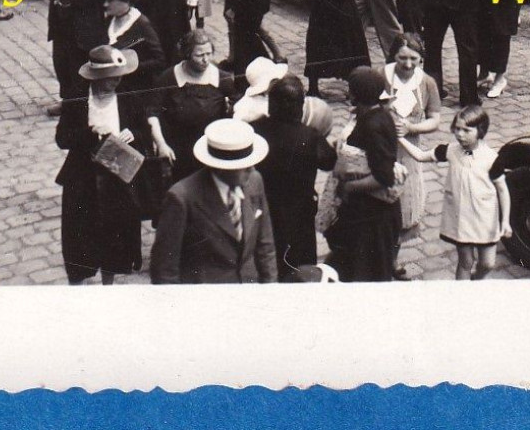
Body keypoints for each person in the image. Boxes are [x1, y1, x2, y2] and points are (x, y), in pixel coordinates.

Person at [56, 45, 146, 285]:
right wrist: (91, 131)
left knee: (114, 234)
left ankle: (109, 283)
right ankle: (78, 281)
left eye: (118, 77)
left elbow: (142, 128)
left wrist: (132, 134)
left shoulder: (127, 96)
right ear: (96, 78)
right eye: (110, 79)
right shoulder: (77, 98)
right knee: (79, 236)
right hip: (84, 177)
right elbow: (62, 138)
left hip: (117, 177)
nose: (116, 82)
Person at [151, 118, 278, 285]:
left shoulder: (254, 181)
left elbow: (266, 246)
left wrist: (271, 289)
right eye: (244, 165)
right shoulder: (182, 198)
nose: (251, 169)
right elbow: (164, 268)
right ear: (220, 167)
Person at [400, 105, 512, 280]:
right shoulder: (451, 150)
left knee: (487, 263)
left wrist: (505, 221)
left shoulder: (492, 159)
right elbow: (421, 156)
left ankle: (476, 278)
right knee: (466, 261)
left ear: (481, 130)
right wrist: (399, 138)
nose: (460, 134)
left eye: (466, 130)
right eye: (457, 129)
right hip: (461, 218)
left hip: (485, 218)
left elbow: (503, 190)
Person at [253, 75, 338, 281]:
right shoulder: (310, 136)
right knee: (299, 263)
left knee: (266, 256)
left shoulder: (255, 128)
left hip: (265, 208)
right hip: (299, 211)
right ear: (299, 106)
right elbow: (329, 162)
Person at [324, 65, 405, 284]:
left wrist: (349, 187)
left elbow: (384, 177)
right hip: (365, 213)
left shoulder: (373, 125)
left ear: (355, 94)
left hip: (372, 217)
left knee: (366, 274)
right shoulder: (375, 114)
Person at [380, 32, 443, 272]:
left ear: (421, 59)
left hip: (409, 152)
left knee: (403, 206)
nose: (407, 64)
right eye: (402, 58)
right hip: (382, 147)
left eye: (413, 59)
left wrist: (412, 127)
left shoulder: (427, 83)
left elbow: (435, 119)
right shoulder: (381, 76)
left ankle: (392, 260)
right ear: (393, 55)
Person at [146, 28, 233, 186]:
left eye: (208, 54)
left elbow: (237, 104)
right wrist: (161, 144)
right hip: (179, 149)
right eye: (199, 55)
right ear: (187, 55)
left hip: (210, 148)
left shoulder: (222, 78)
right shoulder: (169, 77)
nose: (205, 60)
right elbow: (152, 111)